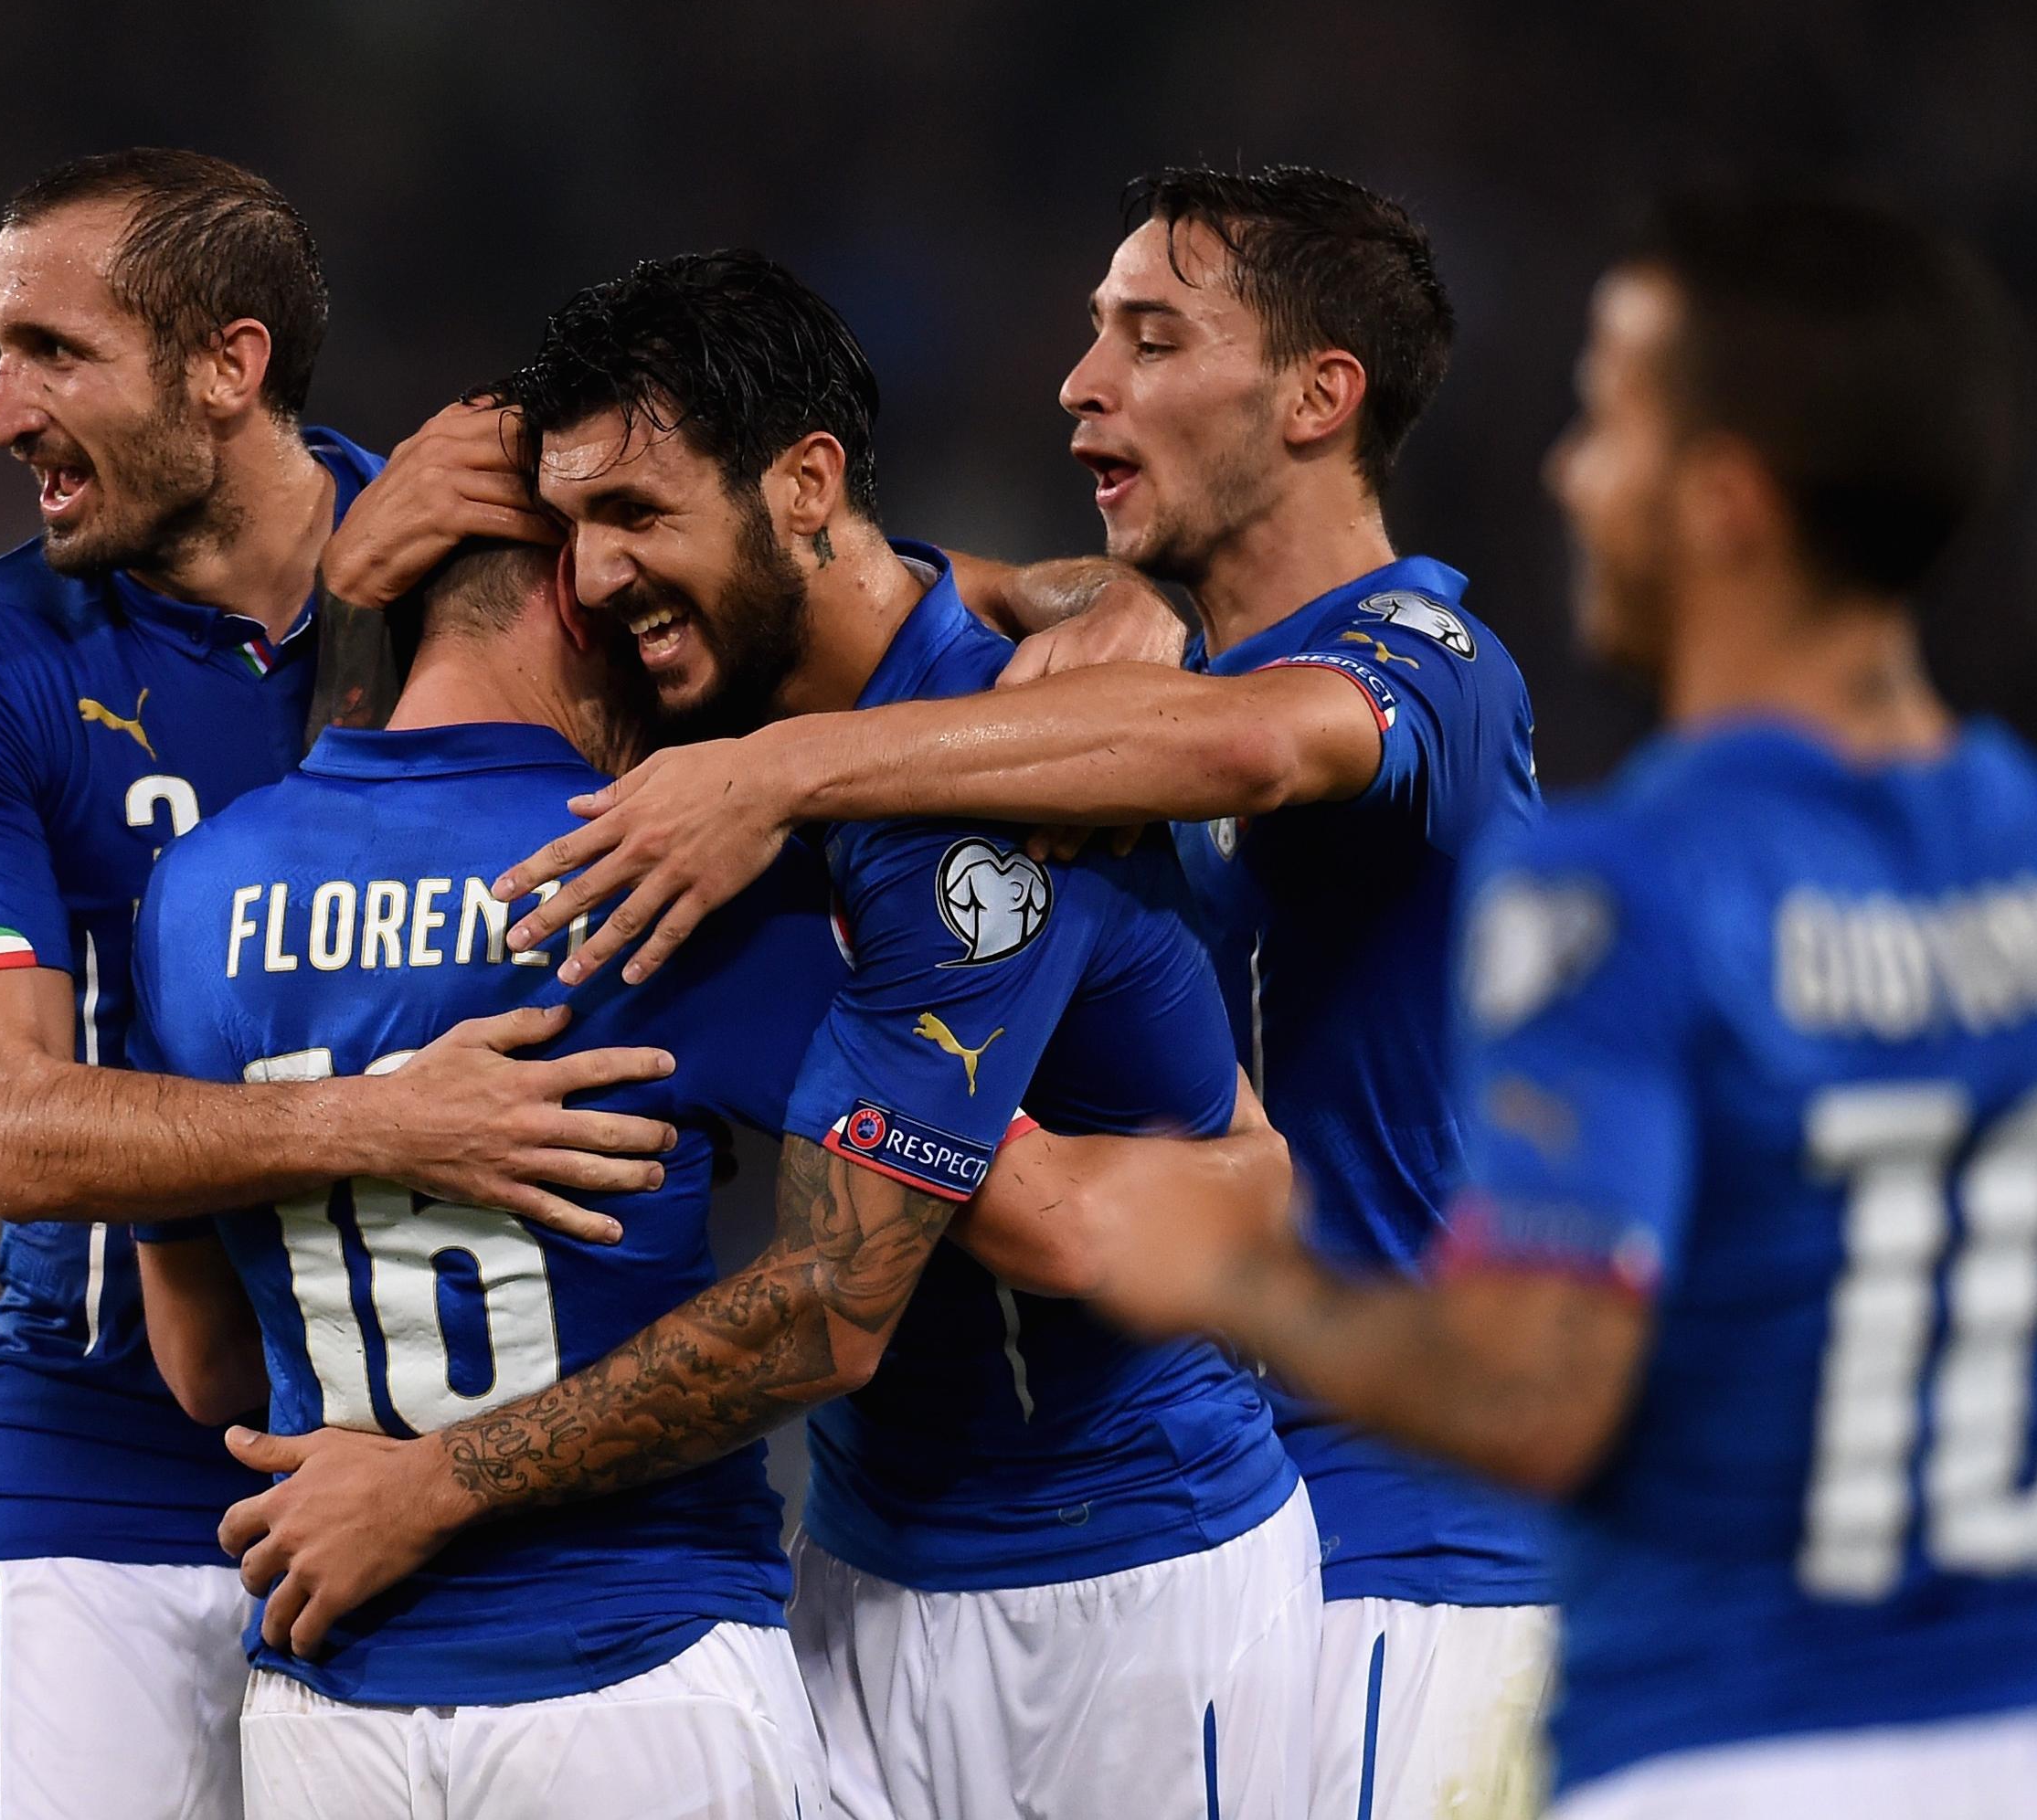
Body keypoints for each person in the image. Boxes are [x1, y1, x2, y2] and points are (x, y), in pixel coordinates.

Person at [493, 167, 1554, 1817]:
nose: (1082, 380)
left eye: (1150, 335)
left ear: (1316, 396)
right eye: (1089, 334)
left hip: (1408, 1537)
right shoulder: (1101, 676)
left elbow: (1261, 744)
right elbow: (876, 585)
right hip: (1197, 1481)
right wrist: (1079, 591)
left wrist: (784, 774)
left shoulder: (1429, 661)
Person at [1090, 188, 2037, 1818]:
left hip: (1743, 1734)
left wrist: (1217, 1268)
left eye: (1610, 422)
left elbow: (1529, 1388)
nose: (1565, 474)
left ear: (1723, 503)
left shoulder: (1623, 896)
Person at [250, 249, 1319, 1820]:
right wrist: (352, 607)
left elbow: (832, 1305)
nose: (595, 581)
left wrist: (430, 1490)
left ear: (804, 487)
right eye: (572, 531)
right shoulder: (720, 712)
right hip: (862, 1561)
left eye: (636, 517)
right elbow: (384, 834)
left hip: (1124, 1585)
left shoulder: (1001, 792)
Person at [0, 148, 682, 1820]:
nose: (3, 412)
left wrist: (1057, 598)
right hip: (97, 1498)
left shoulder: (492, 551)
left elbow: (824, 591)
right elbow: (14, 1126)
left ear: (230, 366)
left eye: (55, 353)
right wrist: (398, 1124)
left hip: (459, 1505)